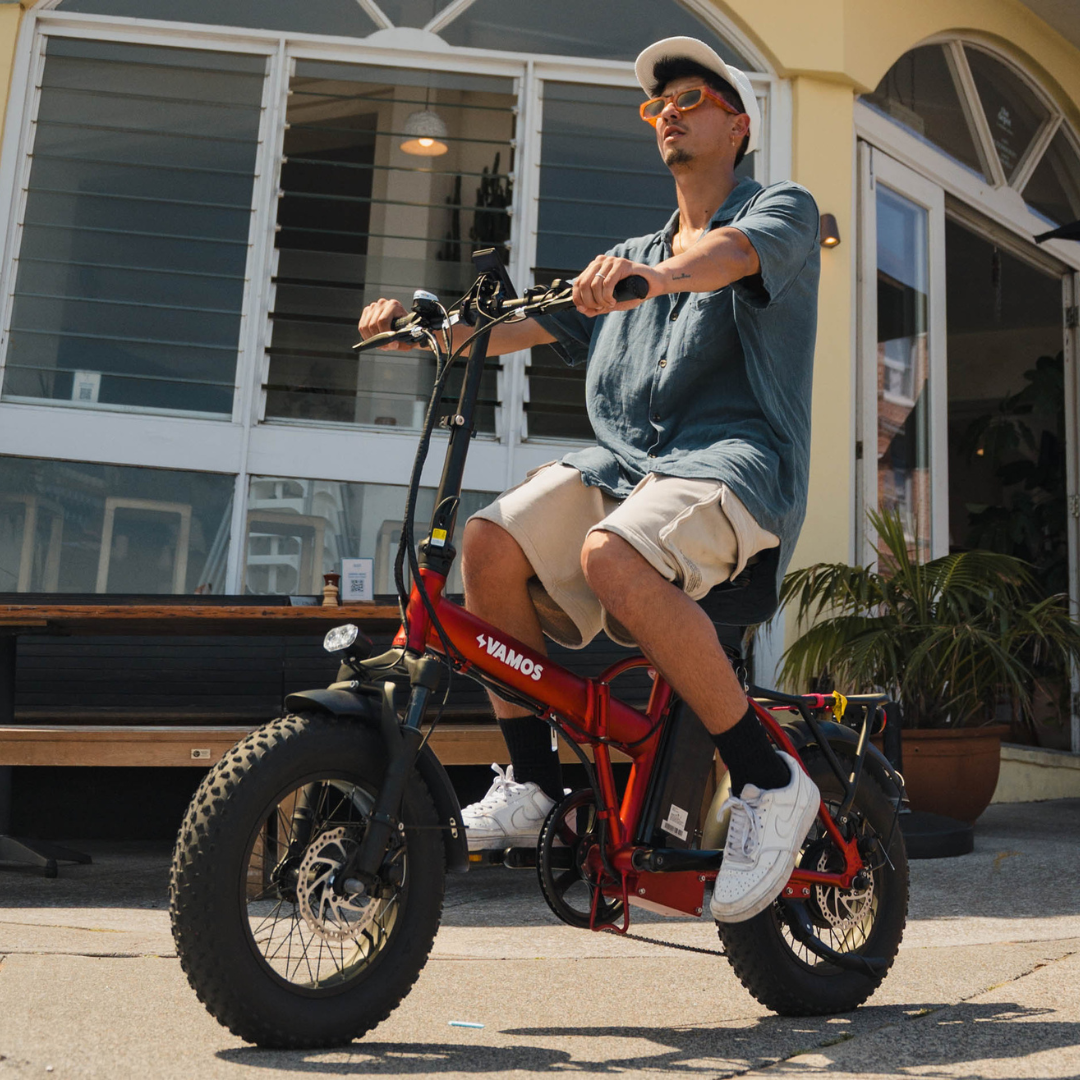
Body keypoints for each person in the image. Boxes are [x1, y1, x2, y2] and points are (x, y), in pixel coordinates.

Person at [358, 36, 821, 923]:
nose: (670, 114)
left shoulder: (780, 211)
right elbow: (497, 334)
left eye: (690, 99)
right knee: (488, 544)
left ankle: (770, 778)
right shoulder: (627, 254)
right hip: (632, 470)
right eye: (659, 106)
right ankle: (535, 781)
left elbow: (722, 260)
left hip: (732, 468)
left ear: (739, 124)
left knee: (610, 554)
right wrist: (415, 329)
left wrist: (652, 278)